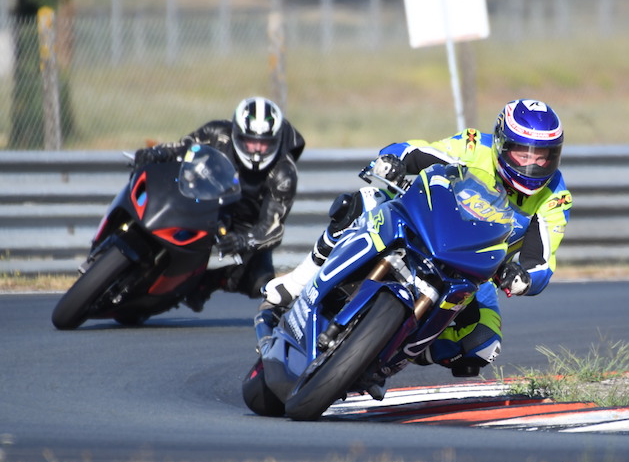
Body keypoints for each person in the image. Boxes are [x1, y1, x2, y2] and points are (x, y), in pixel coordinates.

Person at [262, 98, 571, 377]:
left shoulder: (555, 197)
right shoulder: (476, 146)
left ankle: (394, 350)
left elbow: (541, 261)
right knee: (366, 199)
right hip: (425, 225)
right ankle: (302, 279)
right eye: (522, 153)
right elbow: (418, 151)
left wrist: (523, 278)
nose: (533, 164)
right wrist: (394, 160)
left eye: (545, 156)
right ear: (502, 143)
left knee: (483, 346)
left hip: (475, 271)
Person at [132, 96, 305, 311]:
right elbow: (182, 147)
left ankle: (207, 282)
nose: (257, 149)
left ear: (276, 141)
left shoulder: (283, 173)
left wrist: (245, 240)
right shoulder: (217, 133)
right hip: (201, 199)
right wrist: (157, 153)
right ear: (237, 135)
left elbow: (273, 228)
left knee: (260, 280)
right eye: (251, 141)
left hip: (244, 224)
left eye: (264, 142)